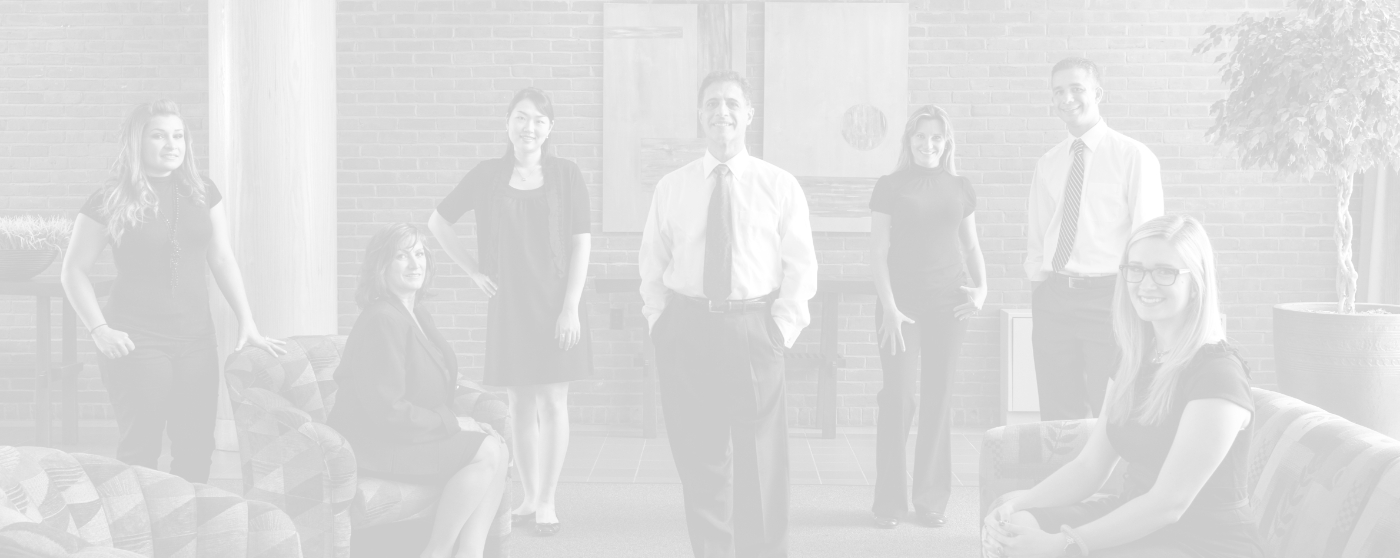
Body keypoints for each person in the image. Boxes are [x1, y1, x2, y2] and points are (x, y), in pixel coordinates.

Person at [984, 215, 1264, 558]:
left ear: (1197, 283)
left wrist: (1064, 544)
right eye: (1136, 269)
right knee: (1015, 523)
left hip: (1201, 539)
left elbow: (1169, 504)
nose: (1146, 284)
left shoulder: (1218, 374)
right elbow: (1090, 466)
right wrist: (1018, 503)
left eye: (1165, 271)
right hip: (1134, 512)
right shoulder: (1135, 356)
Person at [639, 70, 818, 558]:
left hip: (753, 330)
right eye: (713, 103)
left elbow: (800, 266)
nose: (722, 112)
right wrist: (660, 325)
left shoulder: (777, 185)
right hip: (688, 329)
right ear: (700, 114)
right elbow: (652, 265)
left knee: (761, 463)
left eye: (732, 103)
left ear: (749, 114)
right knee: (701, 462)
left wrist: (779, 331)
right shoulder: (671, 188)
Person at [61, 99, 285, 483]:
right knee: (141, 447)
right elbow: (73, 271)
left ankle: (189, 530)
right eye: (159, 136)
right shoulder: (110, 197)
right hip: (136, 339)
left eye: (178, 136)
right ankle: (137, 536)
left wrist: (247, 320)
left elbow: (222, 258)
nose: (172, 145)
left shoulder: (202, 191)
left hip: (196, 337)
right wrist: (100, 330)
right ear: (137, 142)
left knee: (197, 445)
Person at [427, 87, 592, 537]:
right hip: (511, 304)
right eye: (521, 118)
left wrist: (571, 307)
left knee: (554, 401)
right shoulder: (486, 175)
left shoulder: (567, 175)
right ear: (507, 123)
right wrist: (473, 271)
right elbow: (437, 221)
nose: (529, 127)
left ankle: (548, 502)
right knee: (520, 401)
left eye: (539, 120)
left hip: (559, 303)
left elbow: (581, 243)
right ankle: (527, 496)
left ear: (550, 128)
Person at [327, 224, 509, 558]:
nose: (415, 263)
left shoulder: (415, 312)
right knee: (487, 451)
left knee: (498, 445)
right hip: (378, 442)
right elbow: (387, 410)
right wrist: (453, 423)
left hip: (405, 432)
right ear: (381, 267)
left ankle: (471, 552)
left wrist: (456, 420)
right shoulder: (382, 318)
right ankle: (436, 552)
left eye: (420, 253)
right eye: (401, 255)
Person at [868, 105, 987, 530]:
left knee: (939, 399)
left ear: (947, 142)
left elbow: (971, 247)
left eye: (937, 137)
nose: (928, 144)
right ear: (909, 140)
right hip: (899, 308)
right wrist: (889, 307)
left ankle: (931, 501)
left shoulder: (960, 187)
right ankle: (889, 504)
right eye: (921, 136)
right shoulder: (890, 186)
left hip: (949, 306)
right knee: (898, 399)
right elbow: (878, 251)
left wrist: (982, 289)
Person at [1025, 57, 1164, 421]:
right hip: (1055, 298)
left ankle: (1110, 480)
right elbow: (1039, 234)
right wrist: (1040, 288)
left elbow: (1148, 236)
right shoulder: (1049, 163)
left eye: (1076, 89)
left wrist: (1137, 300)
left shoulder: (1133, 157)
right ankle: (1061, 477)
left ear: (1098, 93)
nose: (1066, 98)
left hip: (1111, 298)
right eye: (1058, 91)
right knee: (1058, 411)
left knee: (1113, 409)